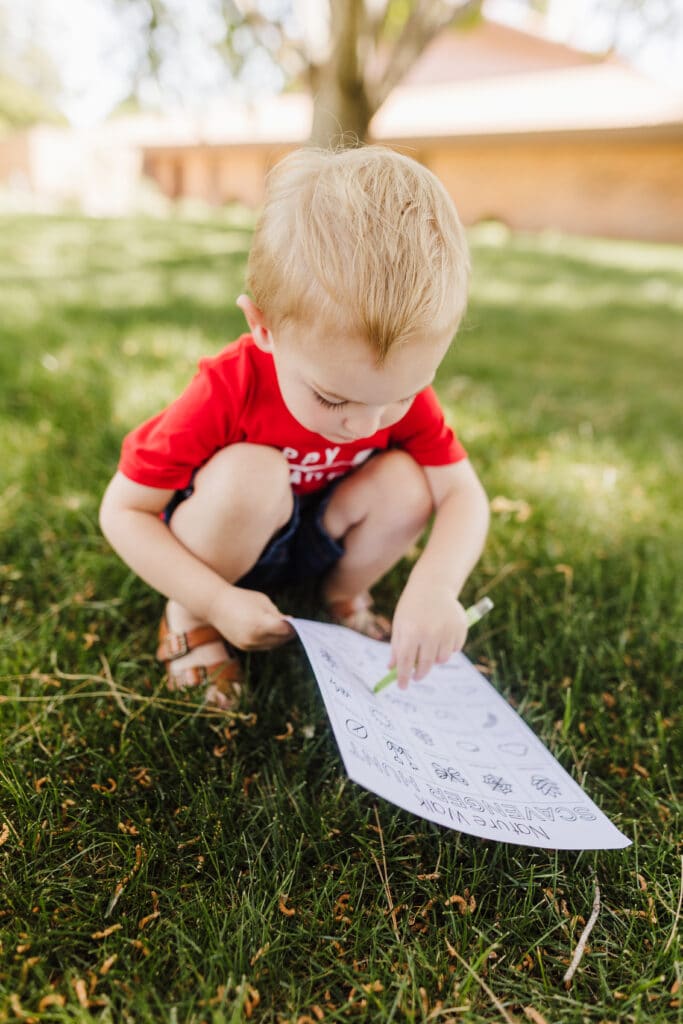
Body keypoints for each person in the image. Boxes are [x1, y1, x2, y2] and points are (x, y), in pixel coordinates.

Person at [99, 145, 490, 709]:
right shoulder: (228, 386)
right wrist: (215, 599)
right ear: (263, 327)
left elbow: (463, 495)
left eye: (401, 396)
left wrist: (434, 588)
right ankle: (189, 617)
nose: (364, 424)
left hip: (323, 532)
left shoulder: (379, 397)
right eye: (333, 397)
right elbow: (123, 511)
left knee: (409, 481)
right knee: (250, 475)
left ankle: (340, 597)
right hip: (227, 541)